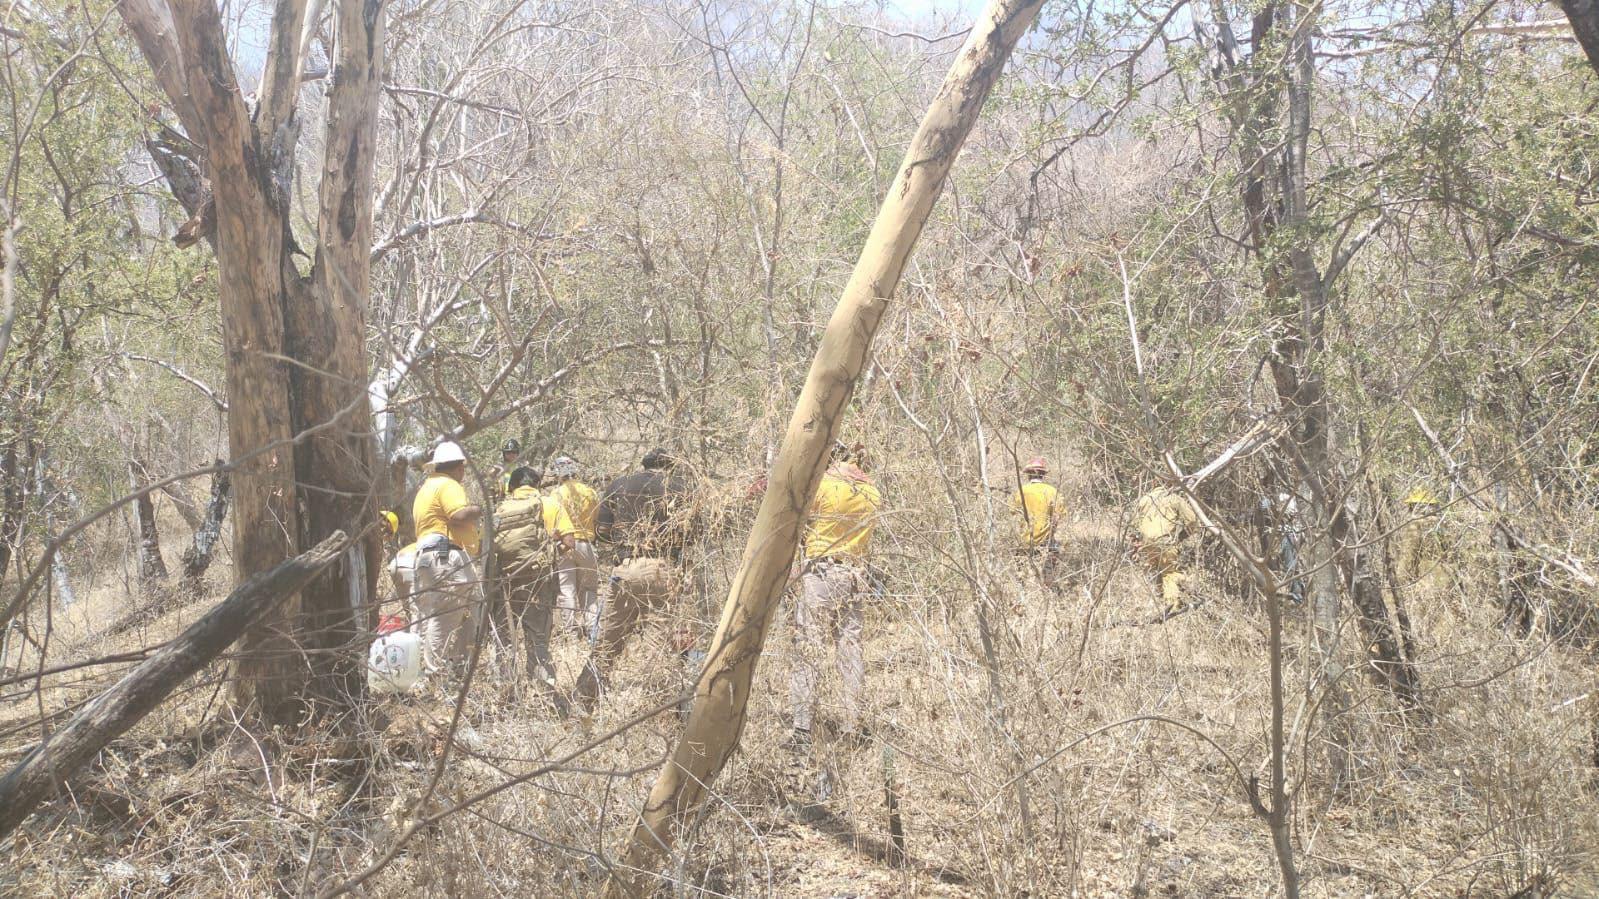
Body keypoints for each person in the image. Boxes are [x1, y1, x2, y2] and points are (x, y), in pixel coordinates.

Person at [575, 447, 693, 709]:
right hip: (663, 569)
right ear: (669, 467)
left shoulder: (621, 484)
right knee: (657, 648)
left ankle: (581, 707)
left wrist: (622, 543)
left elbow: (601, 530)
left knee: (606, 644)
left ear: (644, 465)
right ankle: (657, 713)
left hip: (626, 569)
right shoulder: (680, 487)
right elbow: (693, 532)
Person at [789, 441, 882, 749]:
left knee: (809, 646)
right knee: (850, 648)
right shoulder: (872, 492)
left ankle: (802, 728)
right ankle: (853, 723)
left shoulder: (824, 485)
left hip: (821, 572)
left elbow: (799, 521)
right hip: (854, 575)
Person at [494, 466, 575, 699]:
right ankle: (542, 691)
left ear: (512, 487)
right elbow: (570, 542)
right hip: (539, 579)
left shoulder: (501, 509)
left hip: (505, 580)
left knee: (504, 636)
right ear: (537, 484)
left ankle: (505, 688)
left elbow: (485, 547)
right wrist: (552, 550)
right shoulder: (550, 504)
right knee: (538, 635)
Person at [411, 441, 484, 672]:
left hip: (432, 556)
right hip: (445, 556)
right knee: (444, 617)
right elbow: (458, 515)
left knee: (468, 610)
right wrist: (480, 509)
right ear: (459, 467)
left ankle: (455, 668)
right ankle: (434, 673)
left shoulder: (427, 487)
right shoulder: (448, 484)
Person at [549, 455, 601, 633]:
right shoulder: (590, 492)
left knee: (567, 589)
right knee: (589, 589)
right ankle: (593, 628)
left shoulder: (556, 494)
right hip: (587, 544)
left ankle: (570, 630)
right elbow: (597, 519)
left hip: (564, 546)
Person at [1132, 484, 1198, 614]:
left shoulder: (1145, 498)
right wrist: (1182, 536)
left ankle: (1154, 602)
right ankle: (1172, 608)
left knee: (1154, 570)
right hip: (1165, 541)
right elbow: (1192, 520)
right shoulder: (1174, 498)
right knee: (1169, 574)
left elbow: (1135, 523)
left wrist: (1137, 543)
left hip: (1147, 543)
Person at [1010, 456, 1063, 574]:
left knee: (1021, 574)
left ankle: (1022, 584)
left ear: (1028, 475)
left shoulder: (1021, 491)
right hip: (1045, 541)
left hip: (1024, 540)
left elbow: (1014, 513)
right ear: (1043, 475)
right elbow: (1057, 516)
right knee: (1049, 573)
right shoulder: (1052, 491)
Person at [1395, 485, 1442, 585]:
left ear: (1414, 505)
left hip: (1425, 578)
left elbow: (1407, 555)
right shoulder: (1440, 522)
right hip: (1440, 575)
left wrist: (1398, 581)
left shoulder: (1414, 524)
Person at [493, 438, 523, 503]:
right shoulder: (499, 466)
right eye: (508, 452)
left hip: (520, 496)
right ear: (504, 454)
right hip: (504, 498)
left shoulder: (522, 466)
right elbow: (489, 474)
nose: (511, 454)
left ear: (517, 453)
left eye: (514, 452)